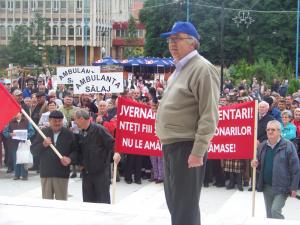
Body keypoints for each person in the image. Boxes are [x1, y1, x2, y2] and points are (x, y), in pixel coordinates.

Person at [155, 21, 220, 225]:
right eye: (170, 39)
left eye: (177, 39)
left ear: (192, 43)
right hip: (173, 146)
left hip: (187, 146)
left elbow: (209, 114)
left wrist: (198, 151)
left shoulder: (203, 69)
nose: (172, 43)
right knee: (176, 204)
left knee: (185, 207)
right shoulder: (179, 69)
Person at [251, 120, 300, 219]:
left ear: (279, 131)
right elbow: (259, 163)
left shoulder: (288, 145)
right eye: (268, 129)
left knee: (275, 211)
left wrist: (294, 187)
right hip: (267, 186)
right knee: (269, 214)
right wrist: (255, 163)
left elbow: (295, 168)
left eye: (273, 130)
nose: (270, 132)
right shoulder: (262, 146)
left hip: (282, 187)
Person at [30, 111, 78, 200]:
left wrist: (70, 159)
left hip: (61, 173)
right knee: (47, 202)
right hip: (46, 173)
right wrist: (43, 145)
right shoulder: (43, 133)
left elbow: (76, 151)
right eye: (54, 121)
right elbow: (33, 150)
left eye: (59, 121)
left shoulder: (69, 134)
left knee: (61, 202)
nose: (57, 123)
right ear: (49, 121)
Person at [74, 109, 115, 203]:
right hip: (87, 173)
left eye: (75, 119)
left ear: (81, 119)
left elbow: (112, 144)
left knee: (103, 200)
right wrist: (80, 163)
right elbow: (80, 151)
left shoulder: (99, 129)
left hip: (101, 173)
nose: (75, 122)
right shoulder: (81, 132)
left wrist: (115, 156)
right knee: (88, 201)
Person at [3, 113, 35, 180]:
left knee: (24, 158)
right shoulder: (10, 122)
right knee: (16, 158)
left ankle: (24, 175)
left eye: (17, 113)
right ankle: (16, 175)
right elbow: (5, 132)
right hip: (14, 143)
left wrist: (26, 136)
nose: (16, 115)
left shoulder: (26, 121)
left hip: (24, 143)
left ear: (20, 113)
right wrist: (10, 134)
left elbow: (32, 131)